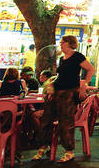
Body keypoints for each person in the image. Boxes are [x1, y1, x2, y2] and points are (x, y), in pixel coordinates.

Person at [32, 35, 95, 163]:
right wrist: (52, 87)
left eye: (62, 42)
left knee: (65, 122)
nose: (60, 44)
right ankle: (44, 145)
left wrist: (84, 84)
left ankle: (69, 151)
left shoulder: (77, 56)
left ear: (69, 43)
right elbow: (61, 76)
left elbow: (90, 69)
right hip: (57, 92)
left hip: (68, 93)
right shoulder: (62, 59)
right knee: (46, 119)